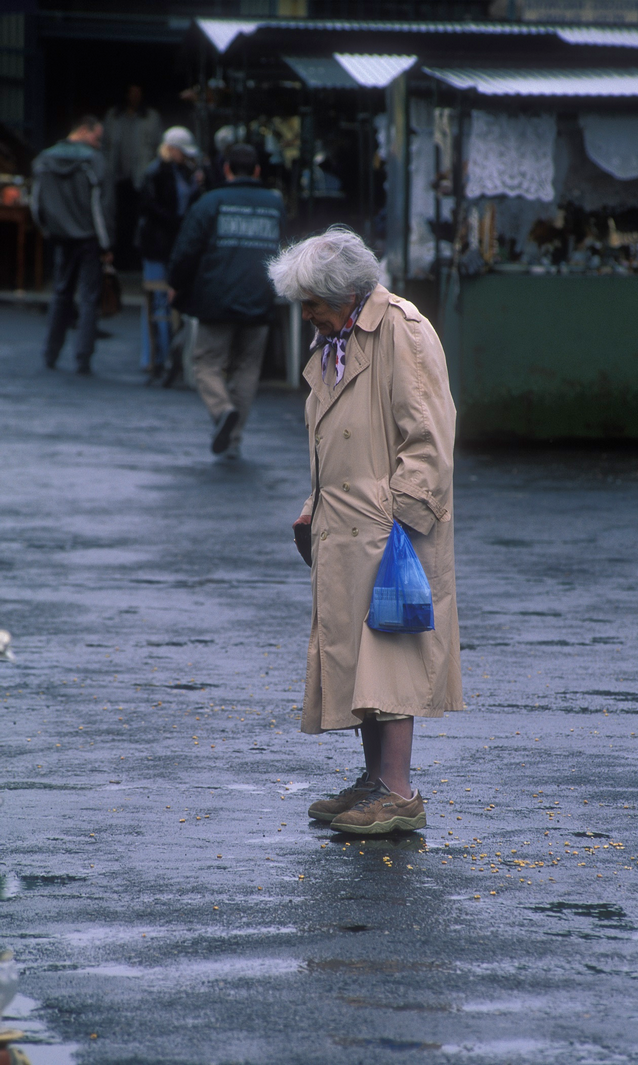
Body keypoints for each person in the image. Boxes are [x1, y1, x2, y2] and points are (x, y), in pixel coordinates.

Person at [267, 227, 463, 836]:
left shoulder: (401, 329)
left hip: (388, 528)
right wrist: (315, 503)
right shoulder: (339, 337)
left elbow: (429, 436)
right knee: (359, 659)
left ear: (349, 292)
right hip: (349, 524)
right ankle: (376, 780)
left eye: (314, 303)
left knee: (392, 657)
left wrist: (396, 518)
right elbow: (335, 443)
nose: (307, 315)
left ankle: (398, 791)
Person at [168, 143, 285, 459]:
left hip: (215, 299)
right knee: (247, 368)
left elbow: (187, 250)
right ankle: (232, 439)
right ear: (258, 171)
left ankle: (222, 411)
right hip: (259, 299)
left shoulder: (211, 202)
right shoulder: (275, 205)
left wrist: (176, 285)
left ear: (227, 170)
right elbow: (288, 250)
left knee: (206, 363)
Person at [31, 114, 114, 375]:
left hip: (61, 236)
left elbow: (37, 204)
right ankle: (82, 359)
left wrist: (49, 230)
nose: (99, 144)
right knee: (89, 299)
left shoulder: (45, 159)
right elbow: (103, 206)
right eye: (97, 138)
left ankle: (50, 354)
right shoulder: (94, 161)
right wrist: (106, 243)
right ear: (86, 131)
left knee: (61, 293)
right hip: (89, 238)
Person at [138, 127, 201, 379]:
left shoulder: (184, 172)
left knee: (166, 300)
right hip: (158, 244)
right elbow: (151, 207)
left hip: (171, 242)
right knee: (157, 301)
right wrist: (178, 221)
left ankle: (164, 355)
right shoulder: (155, 173)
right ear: (172, 149)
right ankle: (155, 356)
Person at [103, 85, 162, 269]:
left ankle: (137, 260)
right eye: (131, 91)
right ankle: (118, 257)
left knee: (140, 219)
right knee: (117, 217)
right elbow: (105, 145)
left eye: (139, 92)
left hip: (141, 178)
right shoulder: (113, 116)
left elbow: (158, 149)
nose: (135, 96)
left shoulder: (151, 117)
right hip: (117, 177)